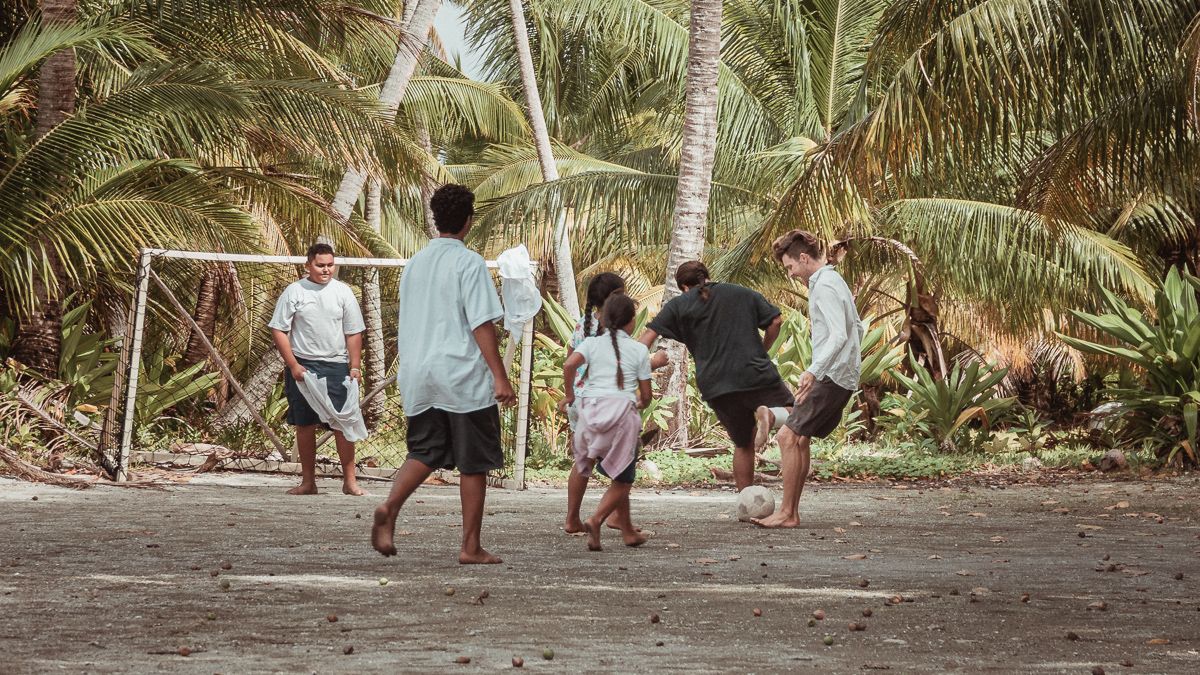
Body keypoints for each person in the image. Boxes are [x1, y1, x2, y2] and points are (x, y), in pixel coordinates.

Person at [371, 183, 516, 564]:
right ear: (469, 221)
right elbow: (482, 324)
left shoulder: (416, 263)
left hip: (419, 371)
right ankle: (470, 546)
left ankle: (391, 506)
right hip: (461, 373)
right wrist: (499, 376)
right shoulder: (469, 263)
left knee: (425, 450)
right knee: (474, 461)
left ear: (435, 220)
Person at [638, 261, 793, 491]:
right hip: (754, 371)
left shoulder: (678, 305)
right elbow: (775, 321)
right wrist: (763, 349)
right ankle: (770, 414)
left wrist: (643, 364)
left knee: (743, 444)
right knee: (795, 413)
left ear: (683, 287)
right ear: (707, 276)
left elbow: (645, 341)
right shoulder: (741, 293)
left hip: (716, 383)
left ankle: (745, 503)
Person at [752, 230, 862, 529]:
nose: (790, 274)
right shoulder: (832, 279)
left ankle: (788, 512)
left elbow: (840, 334)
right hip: (838, 373)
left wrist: (815, 370)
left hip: (832, 374)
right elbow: (858, 328)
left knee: (787, 437)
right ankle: (791, 513)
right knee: (798, 439)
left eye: (790, 267)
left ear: (803, 258)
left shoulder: (824, 284)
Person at [268, 242, 367, 496]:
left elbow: (353, 331)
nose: (326, 270)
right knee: (305, 423)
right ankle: (308, 482)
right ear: (308, 265)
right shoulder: (294, 291)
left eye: (330, 265)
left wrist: (354, 366)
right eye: (320, 265)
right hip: (304, 365)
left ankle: (350, 482)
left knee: (343, 424)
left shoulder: (343, 292)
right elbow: (279, 328)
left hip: (336, 365)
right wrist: (293, 365)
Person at [562, 294, 652, 551]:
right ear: (631, 321)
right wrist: (636, 404)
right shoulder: (639, 350)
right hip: (621, 417)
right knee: (623, 479)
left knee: (594, 469)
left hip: (589, 414)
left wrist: (570, 395)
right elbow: (646, 396)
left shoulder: (591, 344)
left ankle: (627, 532)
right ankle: (596, 518)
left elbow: (569, 365)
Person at [562, 272, 631, 535]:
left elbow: (569, 361)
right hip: (603, 403)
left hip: (580, 402)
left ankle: (571, 518)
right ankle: (614, 518)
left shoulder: (582, 324)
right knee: (621, 463)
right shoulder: (616, 328)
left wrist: (569, 394)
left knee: (584, 461)